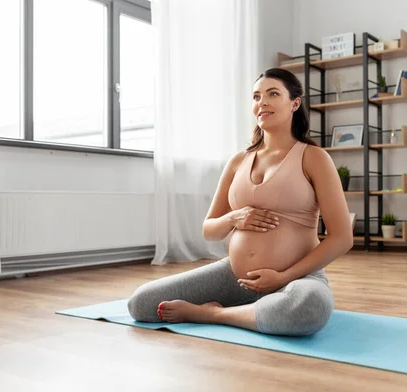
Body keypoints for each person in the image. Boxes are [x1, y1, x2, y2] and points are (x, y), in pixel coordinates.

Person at [127, 68, 353, 336]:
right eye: (256, 96)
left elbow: (342, 238)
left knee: (306, 308)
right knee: (140, 304)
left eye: (272, 94)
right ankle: (252, 312)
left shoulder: (314, 158)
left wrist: (283, 277)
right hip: (236, 278)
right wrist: (234, 218)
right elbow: (210, 229)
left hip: (296, 279)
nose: (262, 102)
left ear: (295, 103)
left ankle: (212, 314)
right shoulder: (238, 162)